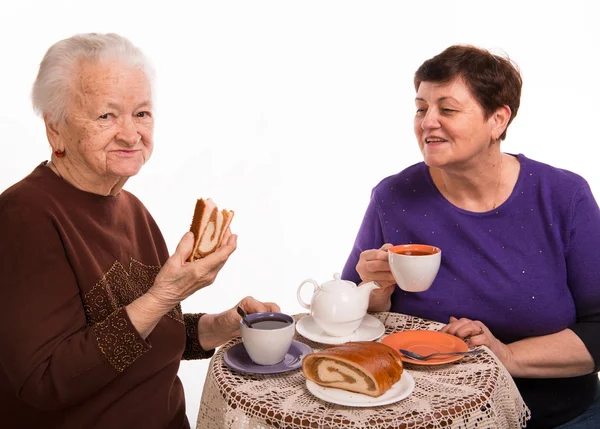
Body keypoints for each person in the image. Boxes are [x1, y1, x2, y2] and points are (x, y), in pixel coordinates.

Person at [0, 33, 279, 429]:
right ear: (55, 128)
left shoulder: (131, 208)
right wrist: (166, 292)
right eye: (106, 116)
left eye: (142, 113)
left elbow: (148, 332)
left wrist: (223, 325)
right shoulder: (23, 218)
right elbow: (46, 382)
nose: (131, 135)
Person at [341, 45, 600, 428]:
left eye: (447, 109)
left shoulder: (563, 196)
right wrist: (372, 292)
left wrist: (506, 357)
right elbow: (346, 322)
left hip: (557, 417)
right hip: (426, 416)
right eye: (420, 108)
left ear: (498, 120)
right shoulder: (392, 196)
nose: (428, 122)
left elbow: (598, 327)